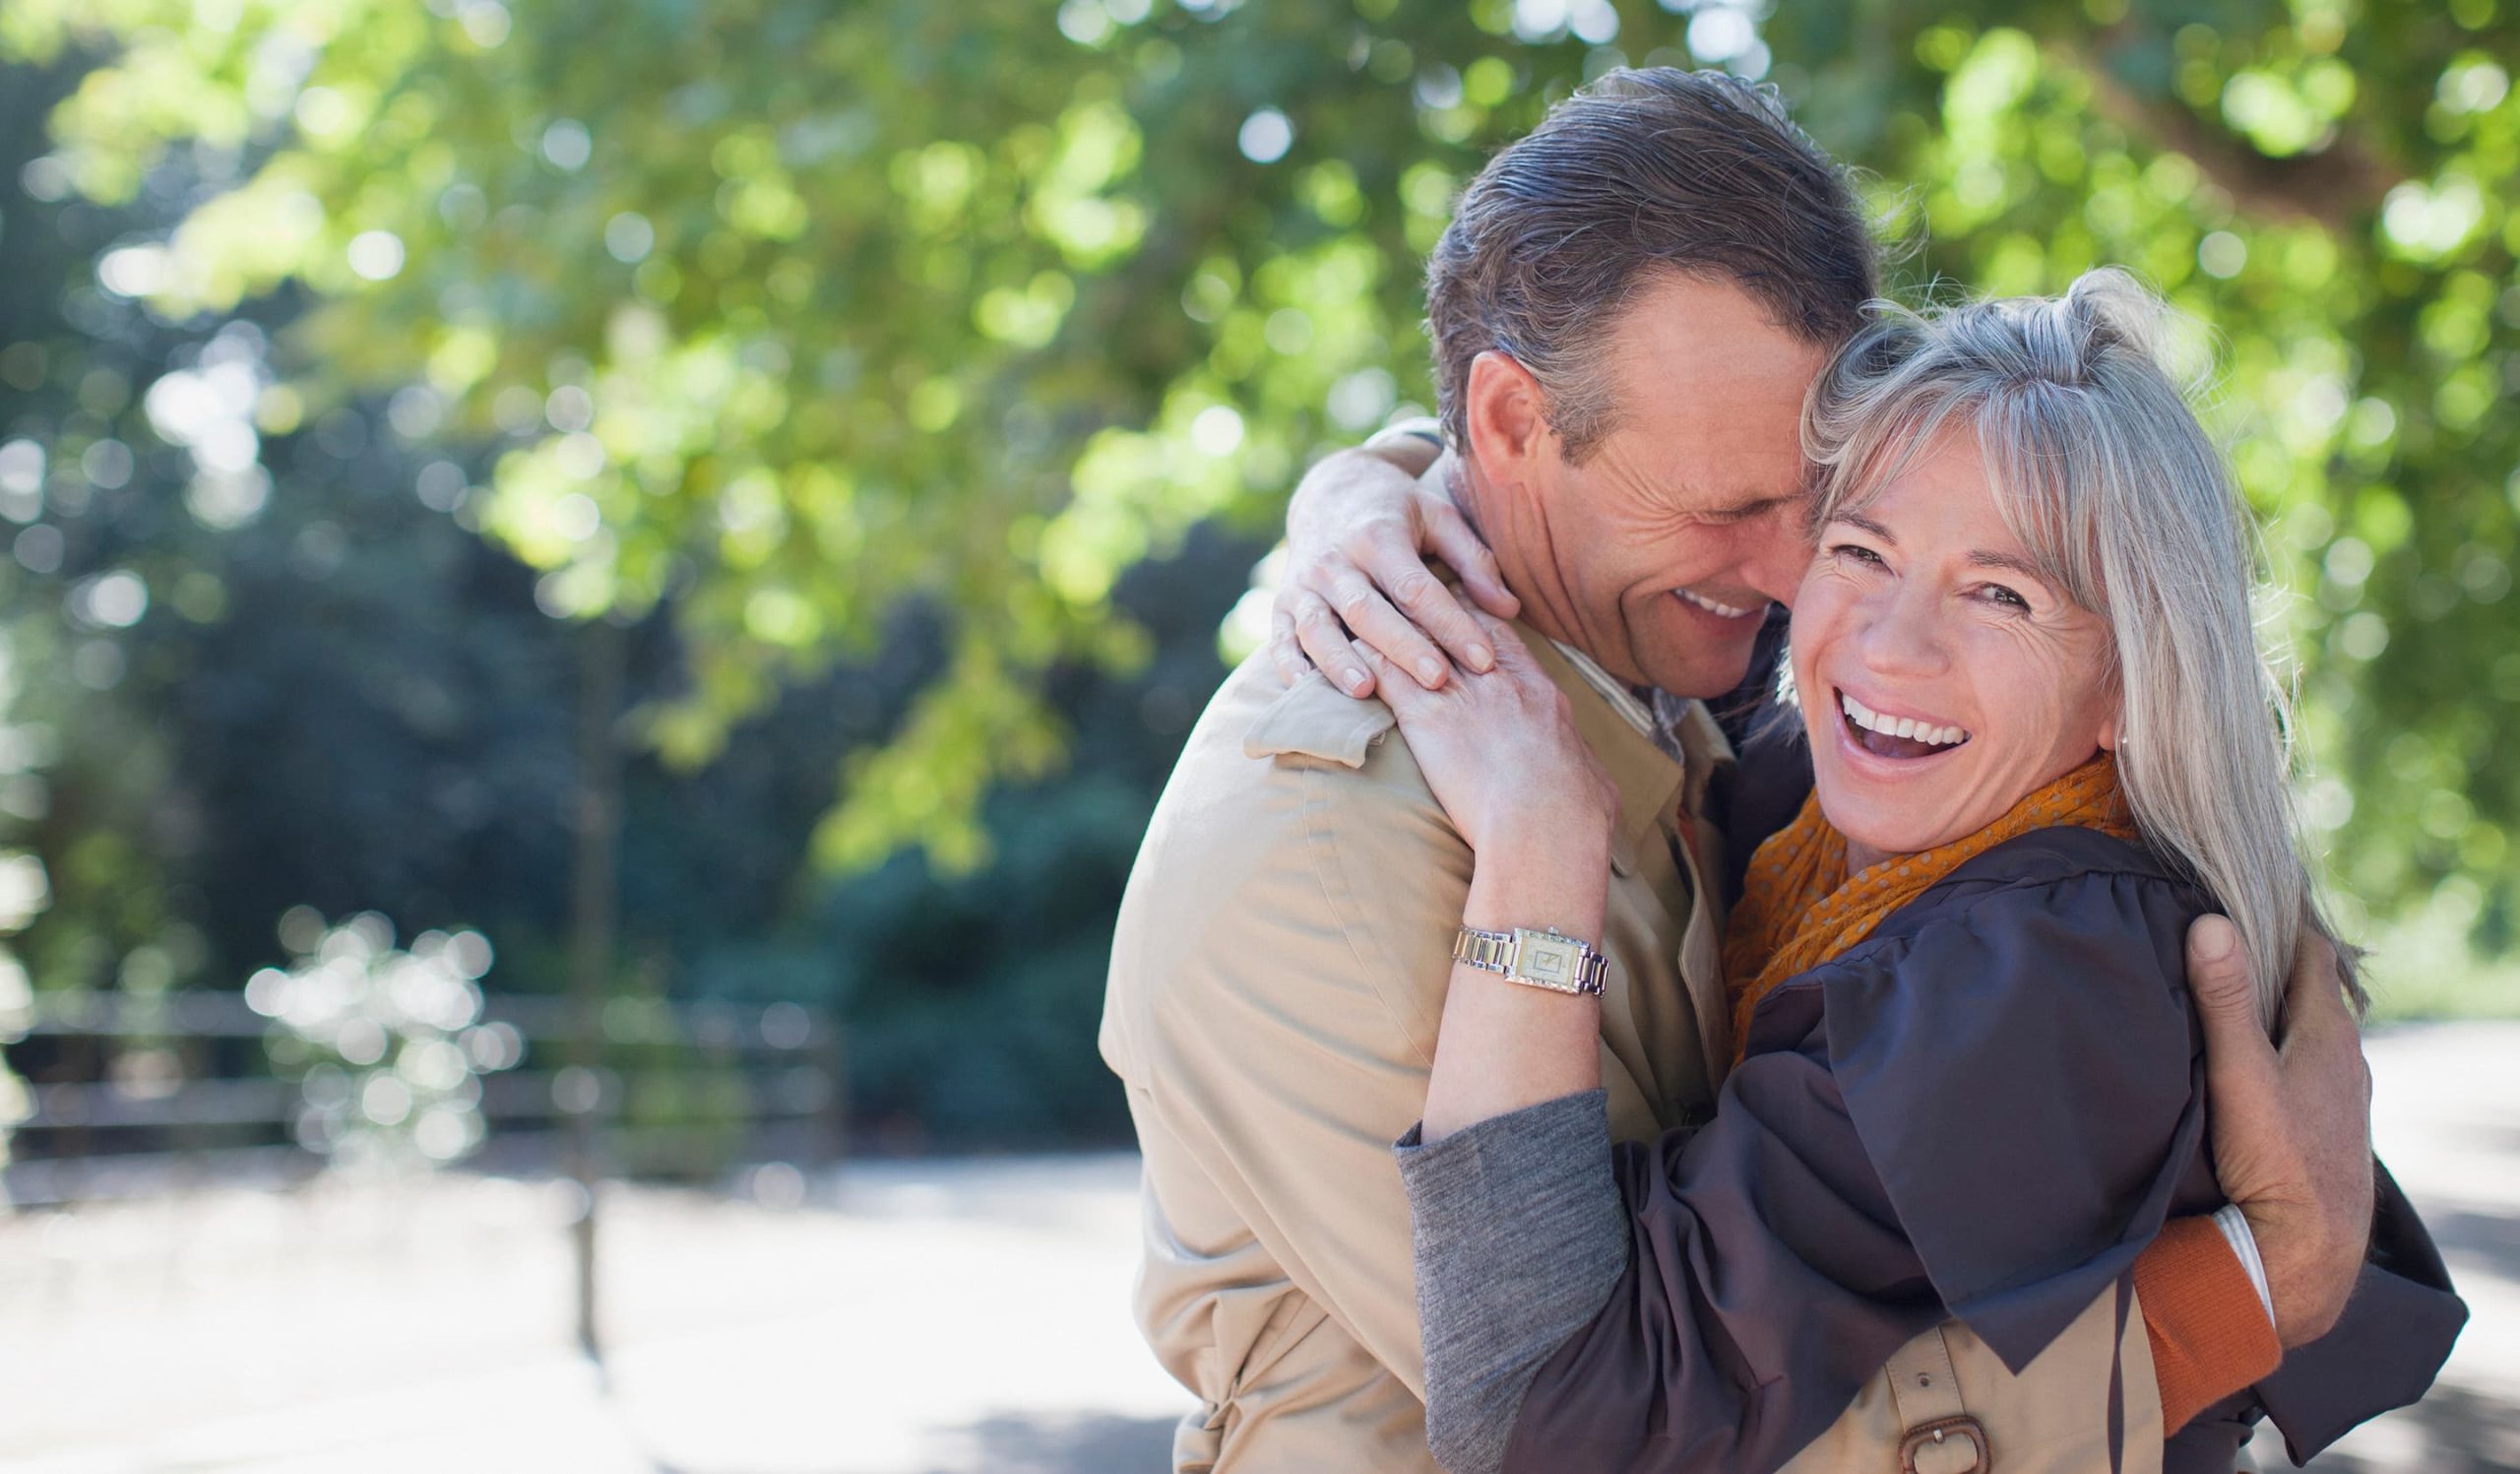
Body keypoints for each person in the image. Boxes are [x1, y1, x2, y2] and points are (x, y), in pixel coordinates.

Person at [1100, 69, 2374, 1474]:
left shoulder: (1713, 713)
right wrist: (2253, 1299)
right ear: (1515, 426)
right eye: (1755, 512)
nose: (1793, 590)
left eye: (1820, 505)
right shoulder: (1326, 858)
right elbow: (1592, 1435)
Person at [1364, 271, 2463, 1474]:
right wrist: (1372, 486)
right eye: (1861, 550)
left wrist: (1537, 848)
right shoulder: (1853, 811)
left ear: (2131, 682)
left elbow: (1549, 1426)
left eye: (2003, 594)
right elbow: (1636, 526)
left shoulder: (2026, 972)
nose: (1889, 646)